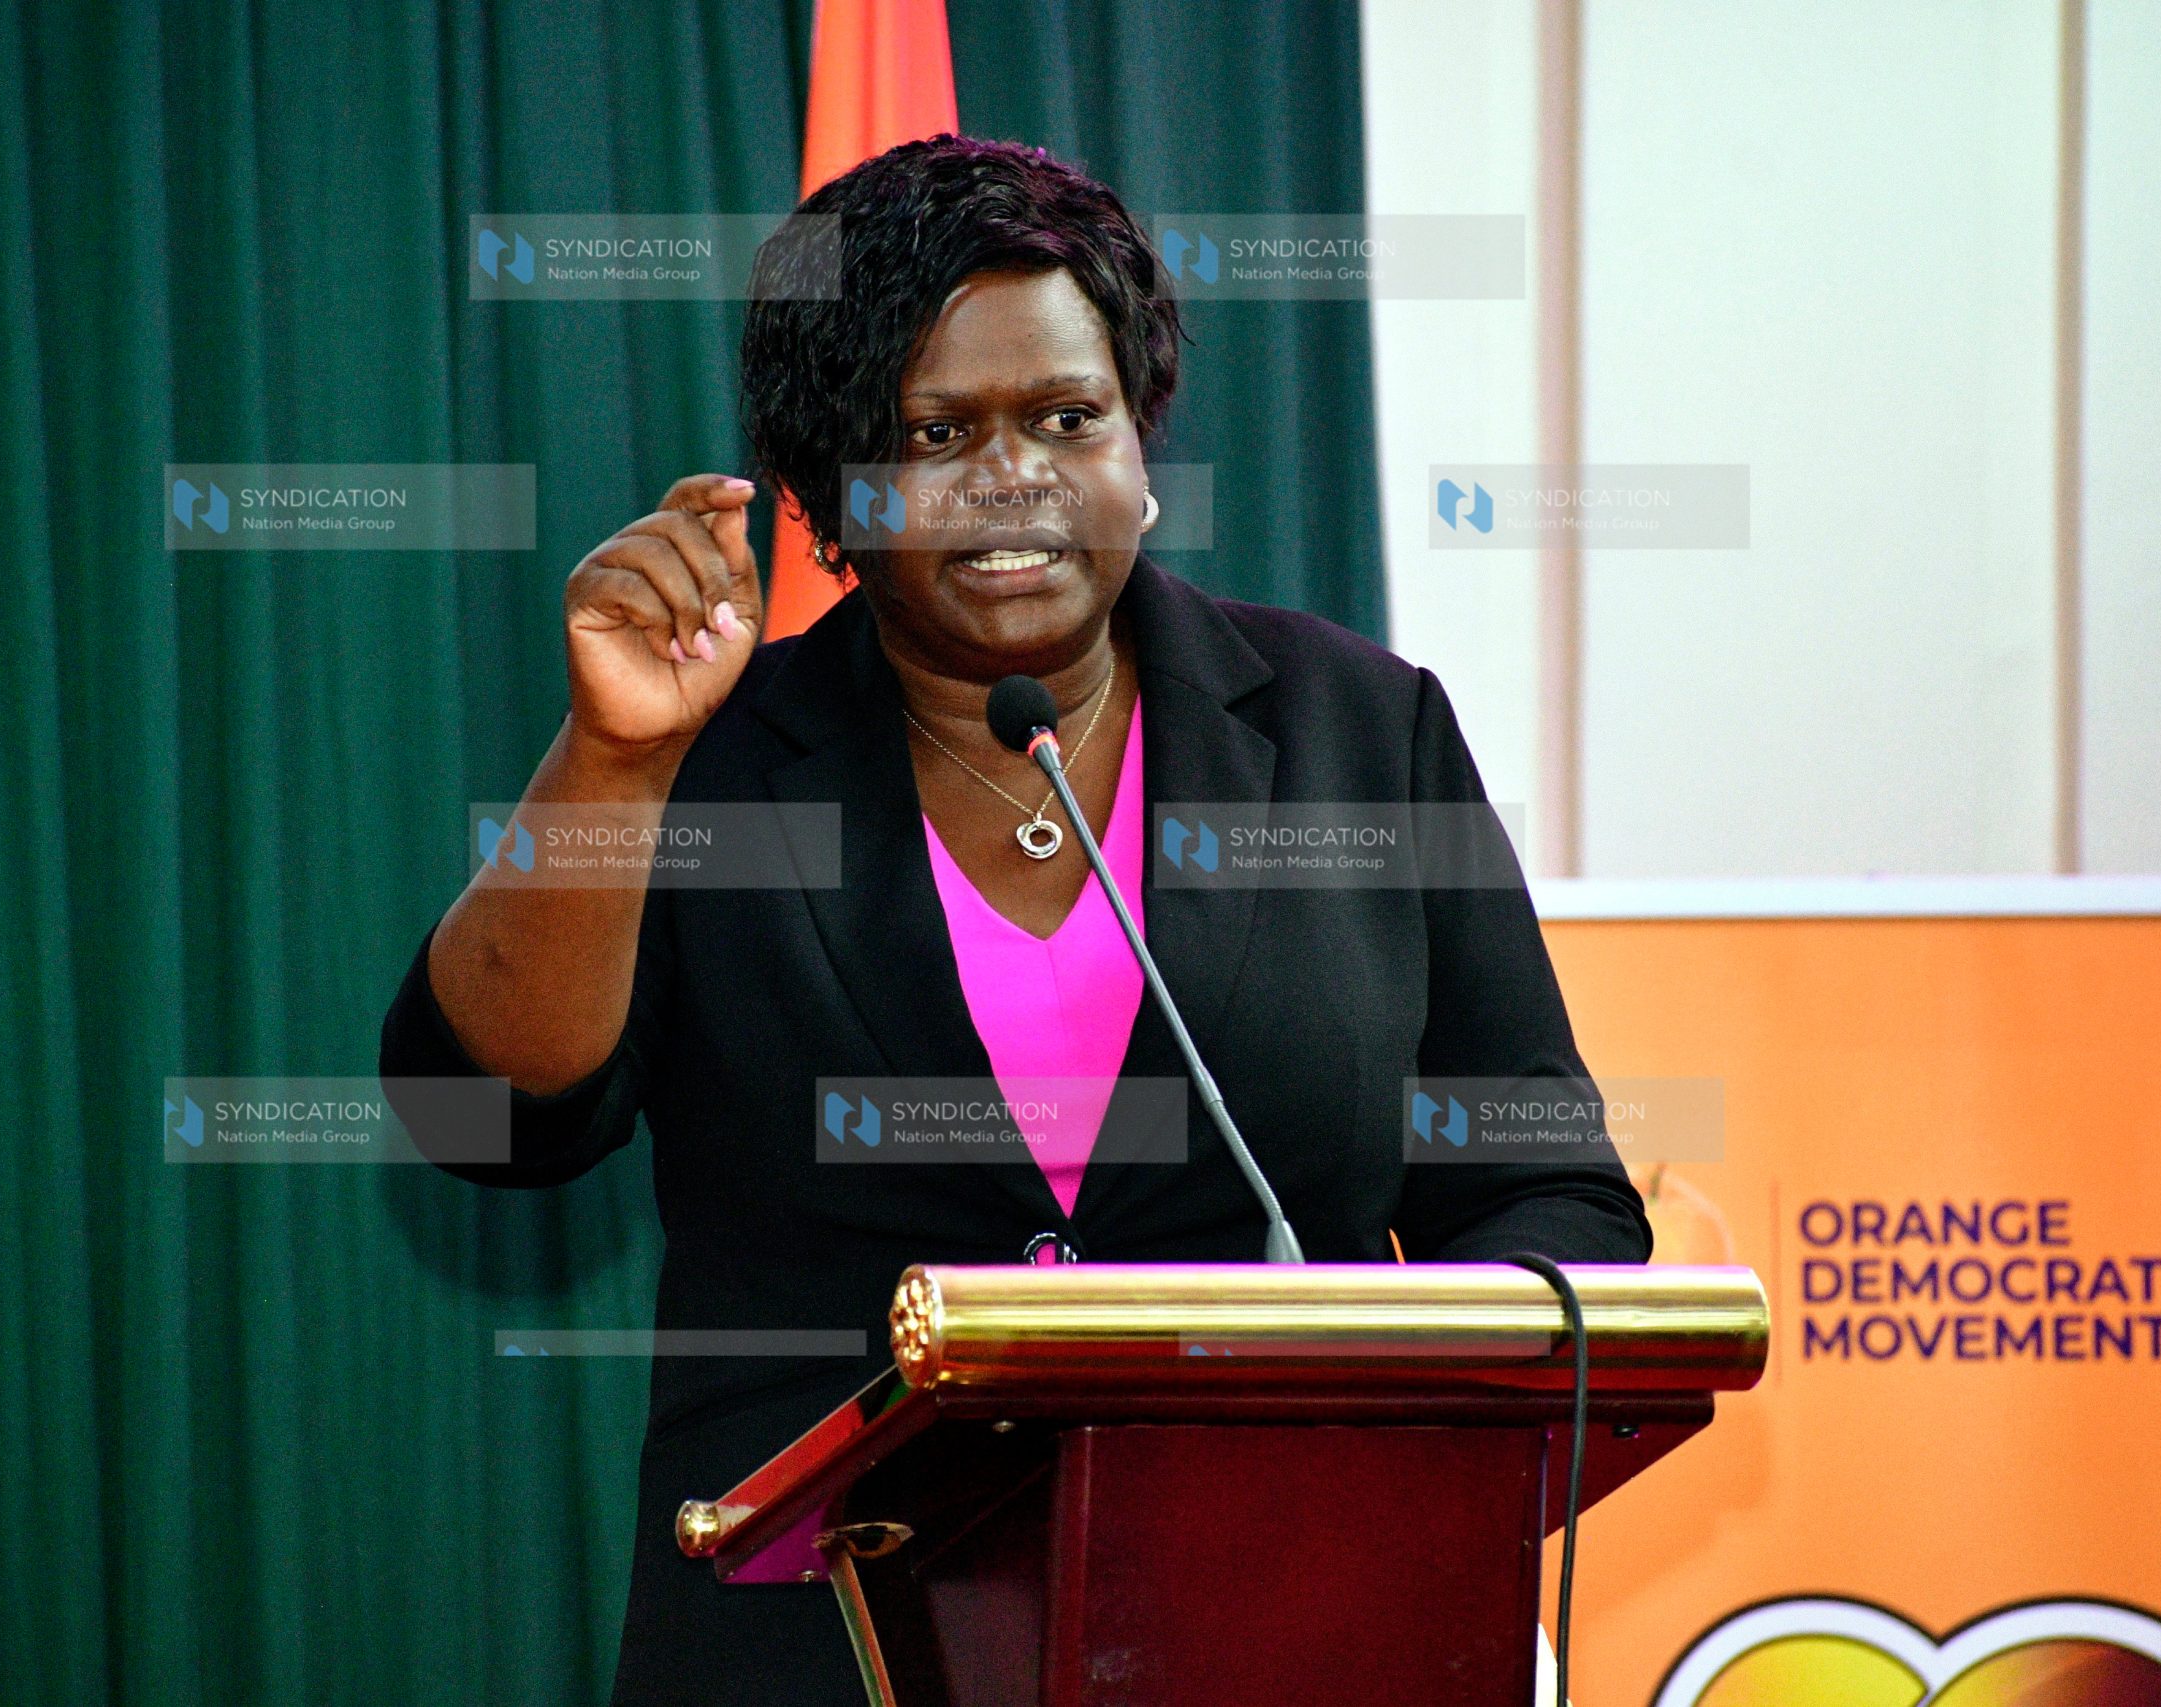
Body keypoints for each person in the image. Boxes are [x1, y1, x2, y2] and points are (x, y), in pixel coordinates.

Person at [381, 135, 1648, 1706]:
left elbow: (1553, 1202)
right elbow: (488, 1120)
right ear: (828, 486)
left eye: (1068, 417)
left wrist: (1383, 1440)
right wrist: (618, 759)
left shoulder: (1353, 732)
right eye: (936, 432)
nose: (1016, 479)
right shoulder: (707, 761)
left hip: (1283, 1625)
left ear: (1140, 437)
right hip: (818, 1655)